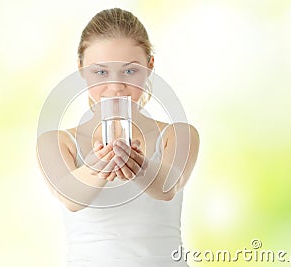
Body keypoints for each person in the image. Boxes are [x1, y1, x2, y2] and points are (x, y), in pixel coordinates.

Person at [37, 8, 199, 267]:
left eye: (130, 71)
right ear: (80, 69)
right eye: (100, 72)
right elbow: (71, 197)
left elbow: (167, 187)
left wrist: (140, 167)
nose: (115, 86)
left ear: (149, 67)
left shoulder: (178, 135)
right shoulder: (56, 142)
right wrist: (97, 168)